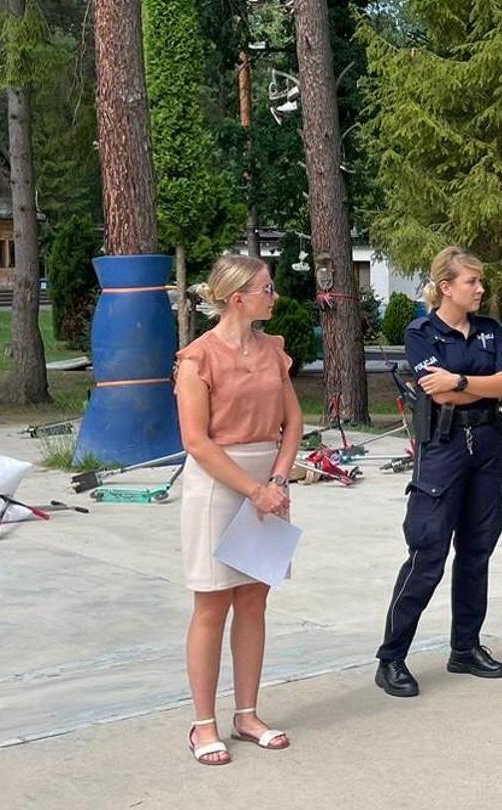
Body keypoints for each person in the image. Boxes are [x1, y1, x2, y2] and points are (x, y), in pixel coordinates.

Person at [173, 256, 303, 765]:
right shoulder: (197, 359)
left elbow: (293, 422)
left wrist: (277, 478)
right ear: (237, 299)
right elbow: (195, 441)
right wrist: (254, 489)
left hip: (268, 482)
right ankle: (202, 724)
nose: (274, 297)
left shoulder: (274, 350)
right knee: (212, 604)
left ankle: (247, 714)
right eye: (267, 289)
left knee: (254, 601)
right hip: (219, 486)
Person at [374, 247, 502, 698]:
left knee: (477, 552)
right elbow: (439, 397)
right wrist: (473, 387)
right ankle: (392, 657)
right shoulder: (422, 332)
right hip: (444, 450)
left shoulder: (491, 331)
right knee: (427, 555)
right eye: (471, 282)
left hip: (489, 448)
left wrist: (458, 381)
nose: (480, 289)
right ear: (445, 287)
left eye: (480, 281)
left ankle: (465, 648)